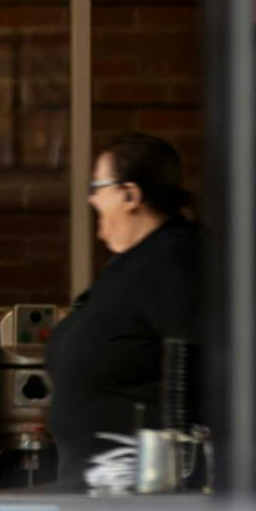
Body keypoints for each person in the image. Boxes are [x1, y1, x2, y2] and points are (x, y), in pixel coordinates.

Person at [44, 132, 203, 491]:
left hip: (135, 498)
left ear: (130, 195)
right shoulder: (133, 264)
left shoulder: (177, 260)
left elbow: (195, 367)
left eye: (98, 185)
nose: (91, 197)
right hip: (97, 490)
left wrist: (180, 476)